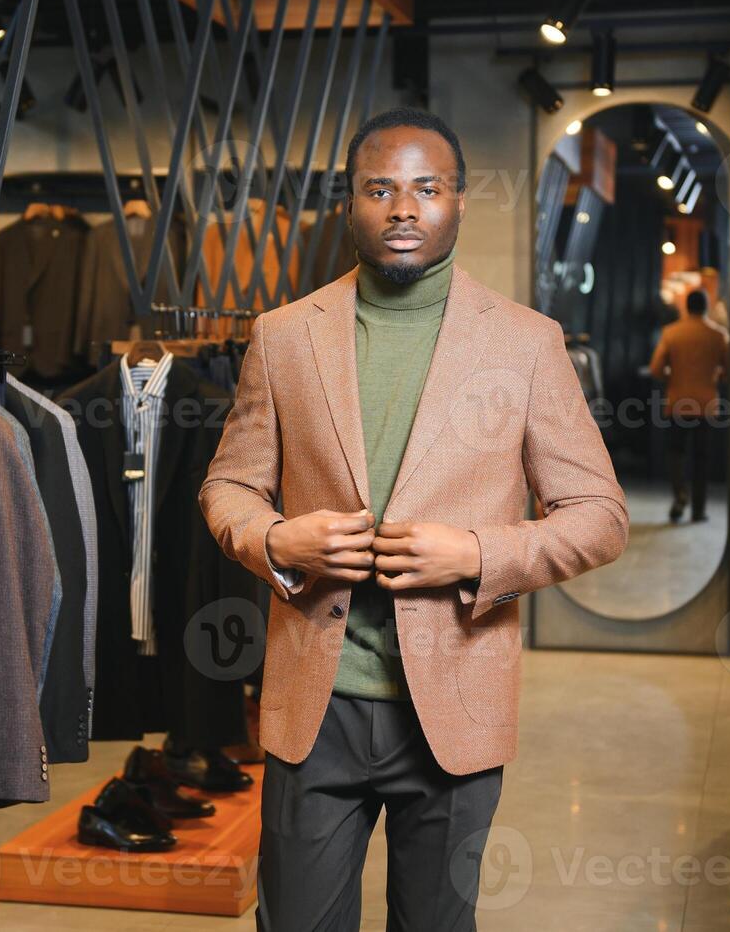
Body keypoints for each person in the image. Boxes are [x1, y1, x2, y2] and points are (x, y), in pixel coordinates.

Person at [198, 107, 629, 930]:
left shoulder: (526, 344)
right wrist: (275, 540)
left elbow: (599, 517)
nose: (403, 209)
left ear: (459, 202)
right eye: (380, 189)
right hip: (314, 705)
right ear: (349, 205)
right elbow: (228, 488)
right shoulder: (284, 336)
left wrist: (473, 554)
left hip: (454, 709)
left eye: (426, 189)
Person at [649, 287, 729, 523]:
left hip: (678, 402)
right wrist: (716, 376)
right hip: (706, 404)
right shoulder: (718, 335)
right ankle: (699, 509)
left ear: (686, 306)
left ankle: (680, 495)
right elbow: (729, 369)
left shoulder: (672, 332)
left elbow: (655, 368)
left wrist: (671, 376)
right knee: (702, 458)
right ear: (706, 306)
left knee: (676, 453)